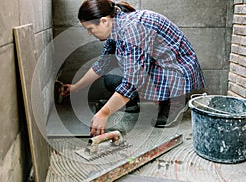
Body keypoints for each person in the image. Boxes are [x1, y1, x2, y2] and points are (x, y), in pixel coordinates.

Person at [63, 0, 205, 136]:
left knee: (134, 84)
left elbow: (133, 80)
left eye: (90, 29)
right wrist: (76, 87)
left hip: (176, 71)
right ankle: (131, 103)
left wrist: (104, 113)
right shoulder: (115, 26)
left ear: (104, 21)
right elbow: (103, 63)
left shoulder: (133, 29)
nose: (89, 33)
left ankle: (175, 102)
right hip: (157, 67)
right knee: (111, 79)